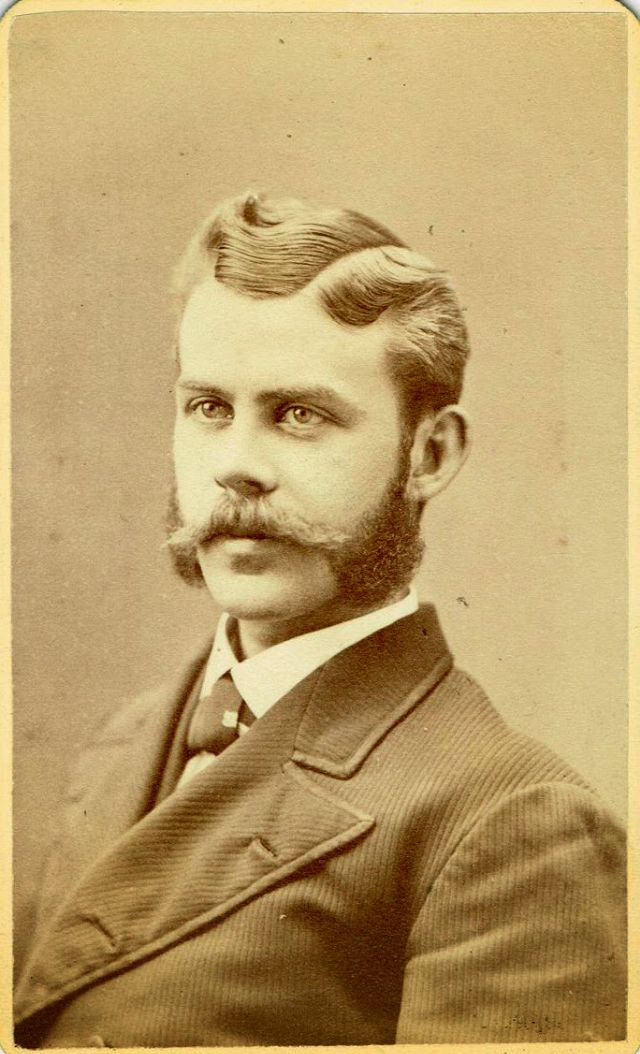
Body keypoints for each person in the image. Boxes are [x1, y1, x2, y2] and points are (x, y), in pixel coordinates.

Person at [14, 192, 626, 1047]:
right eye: (209, 408)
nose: (237, 466)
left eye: (300, 415)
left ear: (430, 454)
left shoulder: (511, 820)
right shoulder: (126, 743)